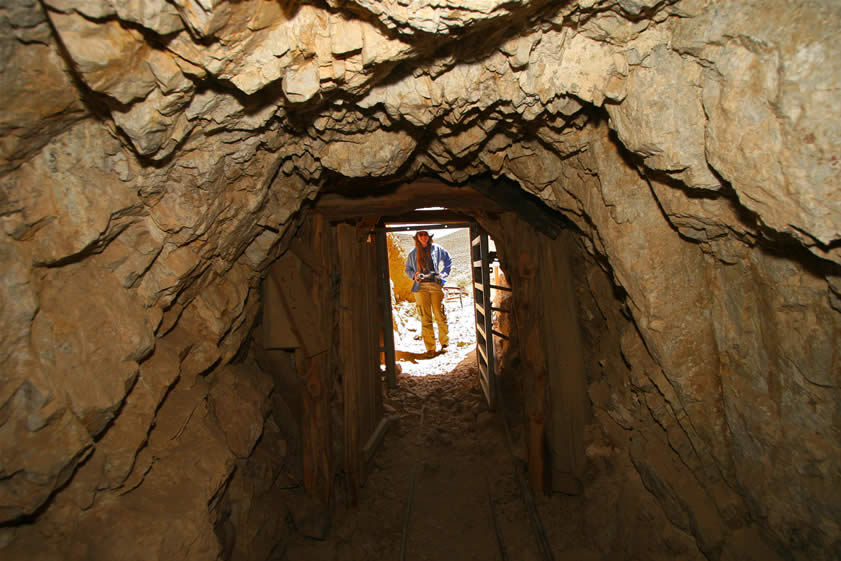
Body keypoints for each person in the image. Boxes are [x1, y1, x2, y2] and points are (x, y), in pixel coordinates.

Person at [404, 230, 453, 356]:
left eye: (426, 235)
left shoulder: (437, 249)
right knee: (425, 317)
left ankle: (444, 344)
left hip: (436, 285)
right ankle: (430, 348)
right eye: (421, 235)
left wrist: (443, 274)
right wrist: (414, 275)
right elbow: (407, 269)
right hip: (420, 288)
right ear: (417, 237)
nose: (424, 237)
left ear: (429, 236)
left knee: (439, 314)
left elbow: (448, 260)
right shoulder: (413, 253)